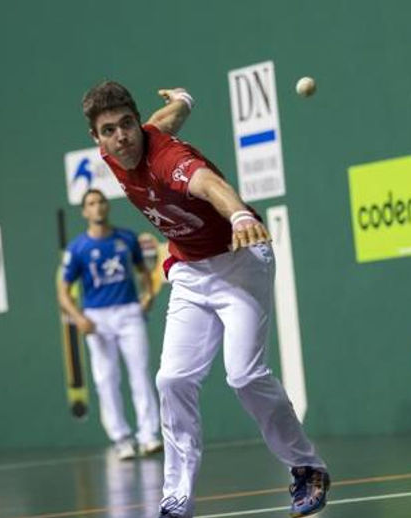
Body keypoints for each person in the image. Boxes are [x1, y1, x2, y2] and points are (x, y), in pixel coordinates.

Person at [80, 81, 329, 518]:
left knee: (244, 375)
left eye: (127, 125)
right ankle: (176, 497)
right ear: (97, 138)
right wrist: (184, 101)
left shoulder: (168, 160)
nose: (121, 137)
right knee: (171, 380)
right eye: (109, 130)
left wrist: (239, 215)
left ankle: (307, 467)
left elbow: (210, 183)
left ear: (135, 122)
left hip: (239, 260)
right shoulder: (120, 150)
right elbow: (163, 120)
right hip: (191, 271)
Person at [57, 189, 162, 460]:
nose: (98, 207)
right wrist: (79, 318)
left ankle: (148, 436)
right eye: (91, 203)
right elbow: (63, 291)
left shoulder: (126, 238)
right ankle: (121, 439)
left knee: (140, 373)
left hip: (129, 313)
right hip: (97, 319)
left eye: (101, 201)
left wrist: (148, 295)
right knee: (106, 379)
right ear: (85, 212)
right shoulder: (78, 248)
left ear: (107, 206)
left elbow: (143, 271)